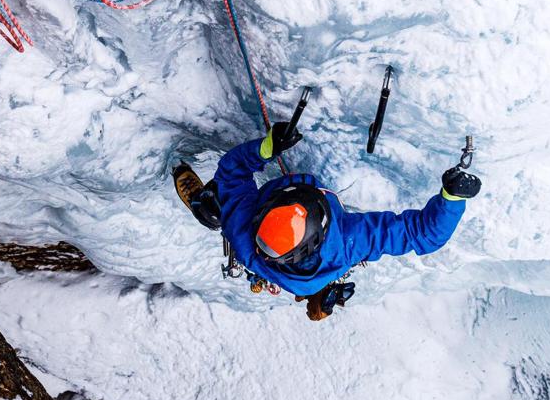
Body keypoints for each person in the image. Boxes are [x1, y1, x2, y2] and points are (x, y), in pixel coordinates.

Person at [173, 121, 481, 320]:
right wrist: (453, 199)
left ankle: (207, 208)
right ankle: (211, 209)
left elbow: (231, 171)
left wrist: (266, 148)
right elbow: (424, 235)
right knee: (225, 211)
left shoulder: (243, 233)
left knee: (220, 210)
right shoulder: (346, 241)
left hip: (253, 245)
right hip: (297, 269)